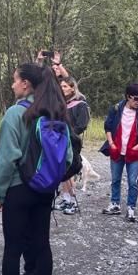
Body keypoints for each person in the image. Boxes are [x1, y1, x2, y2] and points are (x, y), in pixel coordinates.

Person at [0, 63, 72, 275]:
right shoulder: (55, 112)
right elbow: (68, 157)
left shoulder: (15, 114)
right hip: (44, 191)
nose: (12, 84)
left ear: (26, 83)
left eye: (15, 80)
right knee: (42, 245)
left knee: (13, 248)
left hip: (18, 189)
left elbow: (7, 159)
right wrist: (49, 178)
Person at [101, 83, 138, 222]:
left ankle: (131, 208)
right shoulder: (116, 109)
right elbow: (108, 127)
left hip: (134, 152)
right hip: (117, 149)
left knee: (133, 182)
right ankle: (115, 203)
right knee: (115, 179)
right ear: (128, 97)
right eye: (136, 98)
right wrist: (111, 143)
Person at [55, 76, 90, 214]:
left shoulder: (80, 104)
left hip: (72, 142)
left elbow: (82, 125)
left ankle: (73, 202)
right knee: (62, 171)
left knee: (69, 171)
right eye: (61, 86)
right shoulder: (61, 104)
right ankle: (66, 199)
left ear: (72, 88)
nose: (62, 89)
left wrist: (69, 134)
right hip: (60, 141)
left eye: (65, 86)